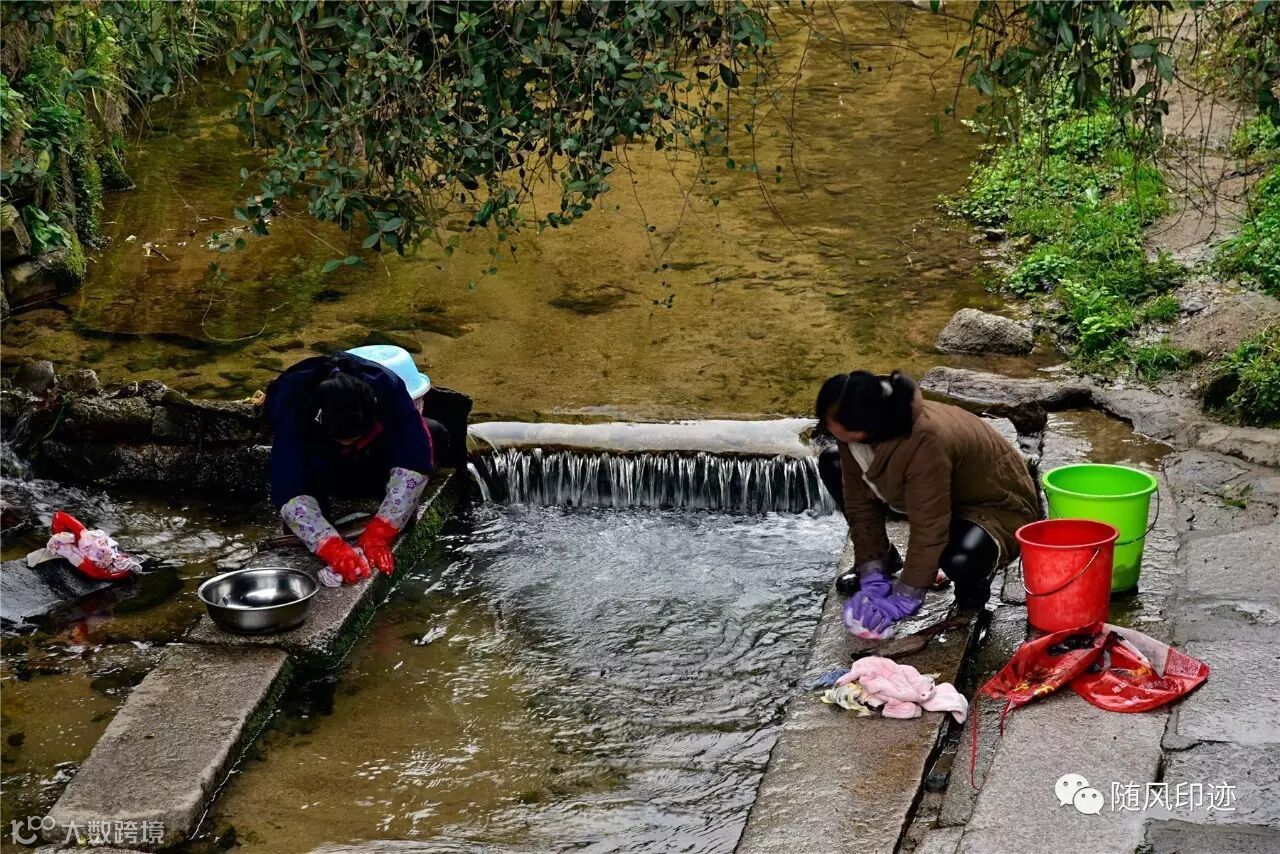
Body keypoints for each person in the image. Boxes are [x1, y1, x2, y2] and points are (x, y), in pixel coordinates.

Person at [815, 370, 1040, 636]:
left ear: (865, 424)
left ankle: (972, 592)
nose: (827, 428)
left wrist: (906, 595)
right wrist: (872, 571)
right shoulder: (862, 426)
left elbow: (929, 527)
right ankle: (887, 560)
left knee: (960, 558)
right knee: (833, 463)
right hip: (931, 494)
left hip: (993, 508)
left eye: (833, 424)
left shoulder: (925, 439)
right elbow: (859, 505)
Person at [265, 353, 448, 586]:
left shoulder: (388, 390)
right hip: (322, 458)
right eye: (342, 440)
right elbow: (288, 484)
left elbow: (415, 458)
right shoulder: (293, 405)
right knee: (302, 520)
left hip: (372, 453)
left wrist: (382, 530)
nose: (347, 443)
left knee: (436, 432)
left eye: (353, 438)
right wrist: (330, 546)